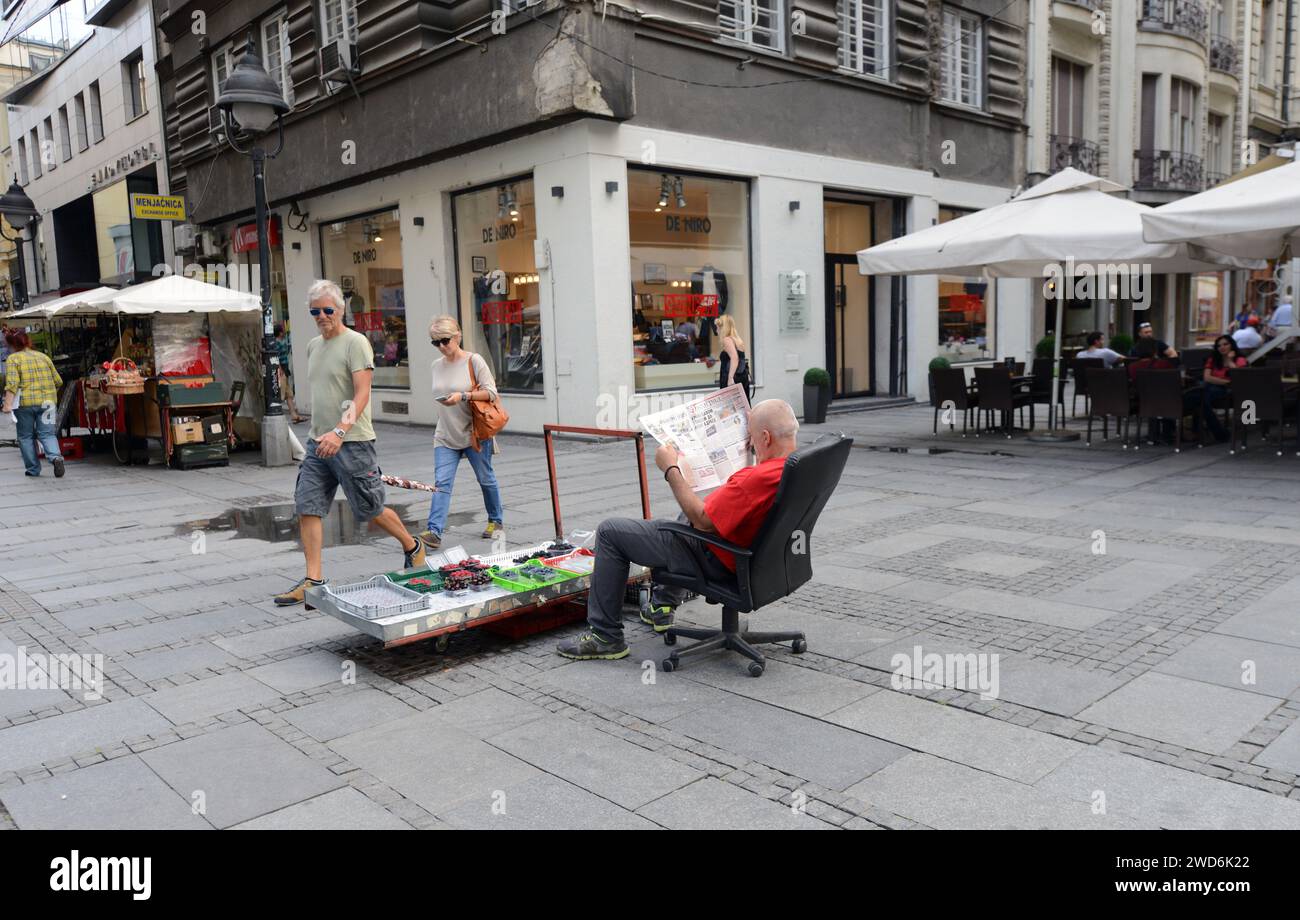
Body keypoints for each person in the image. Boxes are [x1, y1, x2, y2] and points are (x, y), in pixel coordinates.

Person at [557, 399, 799, 660]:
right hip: (761, 560)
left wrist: (671, 468)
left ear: (765, 437)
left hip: (716, 557)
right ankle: (661, 607)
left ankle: (605, 637)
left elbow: (702, 520)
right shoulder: (797, 467)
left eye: (749, 435)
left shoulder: (756, 479)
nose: (747, 442)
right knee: (693, 508)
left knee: (610, 532)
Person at [273, 280, 426, 606]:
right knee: (307, 506)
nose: (322, 316)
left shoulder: (356, 343)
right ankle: (313, 579)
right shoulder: (314, 345)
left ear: (341, 310)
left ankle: (413, 546)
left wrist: (340, 431)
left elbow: (362, 393)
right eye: (316, 311)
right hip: (318, 443)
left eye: (328, 310)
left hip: (352, 441)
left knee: (369, 508)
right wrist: (321, 435)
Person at [421, 315, 504, 549]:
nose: (441, 347)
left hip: (473, 433)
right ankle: (434, 532)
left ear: (458, 336)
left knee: (485, 478)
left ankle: (495, 521)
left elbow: (492, 393)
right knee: (442, 483)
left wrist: (463, 396)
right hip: (445, 434)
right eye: (435, 342)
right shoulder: (435, 366)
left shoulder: (474, 361)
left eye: (445, 340)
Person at [2, 329, 66, 478]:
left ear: (13, 345)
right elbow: (58, 381)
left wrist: (7, 404)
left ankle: (33, 469)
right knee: (48, 434)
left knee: (25, 437)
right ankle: (56, 457)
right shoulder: (44, 357)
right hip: (48, 403)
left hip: (25, 404)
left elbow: (12, 383)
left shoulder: (13, 359)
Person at [1200, 334, 1246, 444]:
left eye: (1225, 344)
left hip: (1227, 391)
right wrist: (1227, 381)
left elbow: (1239, 377)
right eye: (1219, 345)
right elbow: (1206, 377)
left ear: (1232, 345)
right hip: (1211, 387)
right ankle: (1220, 433)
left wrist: (1230, 361)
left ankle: (1203, 432)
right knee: (1201, 399)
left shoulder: (1240, 359)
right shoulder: (1213, 359)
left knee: (1201, 400)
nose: (1222, 347)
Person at [273, 323, 306, 424]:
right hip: (281, 370)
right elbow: (275, 356)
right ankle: (276, 417)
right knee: (282, 394)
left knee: (289, 395)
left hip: (285, 369)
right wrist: (280, 369)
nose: (284, 331)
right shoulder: (276, 343)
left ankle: (294, 416)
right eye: (282, 330)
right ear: (280, 332)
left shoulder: (282, 341)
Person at [716, 314, 752, 401]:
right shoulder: (737, 340)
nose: (716, 330)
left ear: (722, 327)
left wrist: (730, 378)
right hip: (741, 376)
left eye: (717, 327)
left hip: (732, 376)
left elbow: (734, 358)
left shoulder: (727, 340)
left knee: (730, 406)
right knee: (743, 404)